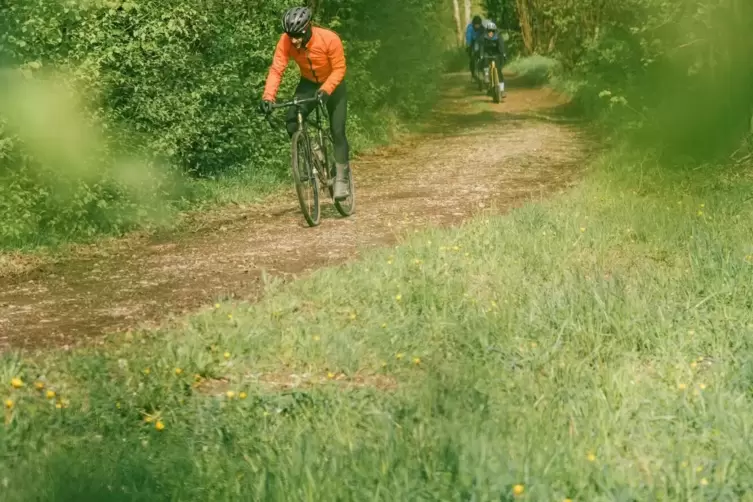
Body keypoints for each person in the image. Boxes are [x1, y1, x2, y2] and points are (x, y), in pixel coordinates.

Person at [259, 6, 350, 200]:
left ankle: (342, 178)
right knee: (292, 120)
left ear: (308, 27)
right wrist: (268, 97)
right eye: (290, 35)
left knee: (337, 130)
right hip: (308, 83)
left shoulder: (329, 38)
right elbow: (277, 69)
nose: (294, 40)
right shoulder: (286, 41)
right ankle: (316, 154)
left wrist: (326, 90)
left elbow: (340, 68)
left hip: (333, 85)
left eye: (298, 35)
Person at [478, 19, 507, 97]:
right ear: (486, 31)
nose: (491, 33)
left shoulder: (498, 37)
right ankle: (486, 76)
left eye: (492, 31)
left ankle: (502, 90)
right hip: (486, 54)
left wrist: (503, 54)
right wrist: (481, 55)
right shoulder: (483, 37)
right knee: (485, 61)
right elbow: (481, 47)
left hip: (496, 54)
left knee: (499, 71)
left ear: (495, 31)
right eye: (489, 31)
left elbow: (501, 47)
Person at [465, 15, 484, 81]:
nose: (477, 26)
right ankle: (473, 74)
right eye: (476, 25)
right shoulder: (470, 28)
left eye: (478, 25)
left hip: (480, 42)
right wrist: (468, 45)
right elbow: (468, 37)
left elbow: (484, 36)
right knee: (472, 58)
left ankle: (483, 69)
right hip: (472, 43)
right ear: (473, 24)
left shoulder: (482, 28)